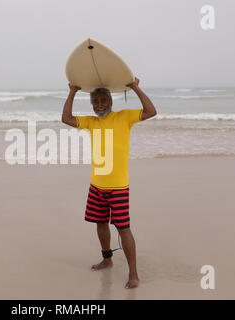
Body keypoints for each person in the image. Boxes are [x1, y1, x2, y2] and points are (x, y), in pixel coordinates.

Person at [61, 77, 157, 288]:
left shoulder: (125, 117)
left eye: (104, 100)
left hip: (119, 187)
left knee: (123, 228)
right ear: (92, 104)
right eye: (96, 101)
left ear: (111, 102)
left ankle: (133, 274)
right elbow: (66, 118)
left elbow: (151, 112)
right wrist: (73, 91)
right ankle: (107, 258)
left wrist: (135, 88)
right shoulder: (91, 122)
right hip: (97, 185)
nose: (100, 104)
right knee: (101, 223)